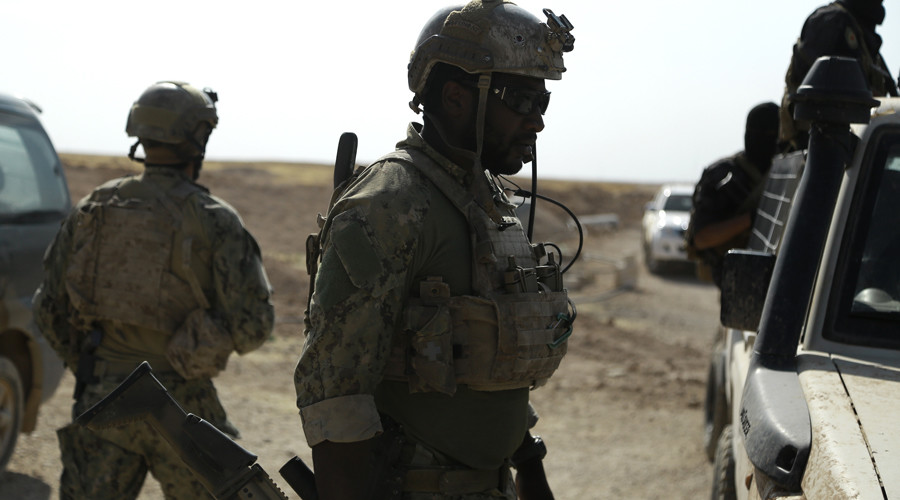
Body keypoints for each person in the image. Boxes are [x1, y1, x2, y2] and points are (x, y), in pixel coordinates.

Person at [294, 1, 575, 498]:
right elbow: (334, 391)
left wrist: (530, 469)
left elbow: (491, 362)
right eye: (521, 101)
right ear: (454, 97)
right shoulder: (390, 204)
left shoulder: (486, 201)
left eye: (543, 103)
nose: (538, 123)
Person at [33, 81, 275, 500]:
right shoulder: (214, 219)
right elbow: (253, 326)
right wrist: (200, 344)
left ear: (140, 134)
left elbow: (48, 307)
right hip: (183, 409)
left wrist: (94, 368)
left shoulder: (93, 207)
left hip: (102, 399)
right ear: (197, 138)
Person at [779, 0, 898, 152]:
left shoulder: (859, 31)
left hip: (852, 147)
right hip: (821, 148)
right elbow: (822, 100)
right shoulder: (832, 22)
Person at [686, 102, 780, 288]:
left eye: (771, 135)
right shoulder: (721, 174)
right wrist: (752, 219)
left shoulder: (786, 170)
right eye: (760, 134)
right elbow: (701, 238)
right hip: (737, 282)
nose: (765, 142)